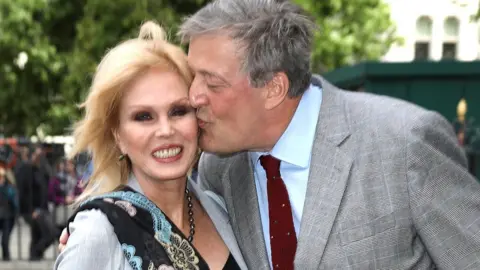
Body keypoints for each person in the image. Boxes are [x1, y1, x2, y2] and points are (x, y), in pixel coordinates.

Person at [60, 1, 480, 269]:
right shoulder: (219, 170)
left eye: (210, 82)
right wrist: (97, 233)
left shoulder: (404, 143)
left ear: (273, 88)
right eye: (143, 117)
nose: (194, 95)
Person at [54, 21, 246, 270]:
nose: (166, 130)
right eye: (143, 116)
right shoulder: (98, 231)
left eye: (179, 111)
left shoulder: (222, 209)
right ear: (118, 136)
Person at [0, 167, 18, 261]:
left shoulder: (9, 188)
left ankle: (6, 256)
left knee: (5, 238)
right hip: (3, 215)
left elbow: (14, 202)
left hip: (7, 215)